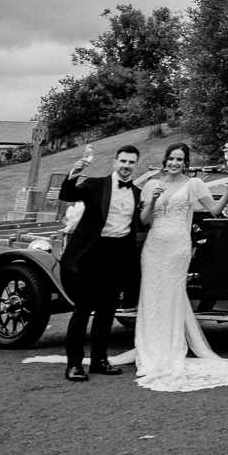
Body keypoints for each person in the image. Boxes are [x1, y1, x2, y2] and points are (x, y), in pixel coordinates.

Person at [134, 143, 228, 392]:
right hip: (154, 247)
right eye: (171, 159)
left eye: (179, 159)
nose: (174, 163)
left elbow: (214, 210)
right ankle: (149, 348)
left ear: (186, 163)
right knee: (151, 296)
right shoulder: (150, 186)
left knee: (171, 295)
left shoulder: (193, 185)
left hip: (177, 248)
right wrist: (153, 200)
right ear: (165, 160)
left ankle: (169, 350)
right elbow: (144, 220)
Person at [56, 145, 144, 382]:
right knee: (83, 310)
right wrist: (73, 172)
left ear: (136, 165)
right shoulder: (95, 185)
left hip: (119, 256)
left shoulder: (137, 193)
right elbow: (67, 195)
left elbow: (140, 224)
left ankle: (99, 360)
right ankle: (74, 365)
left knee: (107, 311)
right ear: (115, 162)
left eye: (131, 162)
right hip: (93, 253)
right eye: (123, 161)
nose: (126, 166)